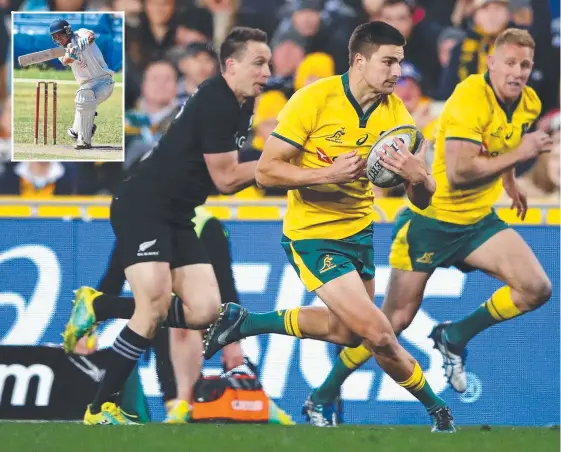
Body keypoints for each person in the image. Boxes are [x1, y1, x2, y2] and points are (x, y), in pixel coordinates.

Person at [203, 21, 456, 433]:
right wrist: (326, 175)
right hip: (312, 235)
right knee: (378, 332)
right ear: (360, 60)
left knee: (346, 333)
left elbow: (423, 198)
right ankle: (440, 411)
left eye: (400, 62)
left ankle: (244, 322)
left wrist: (419, 176)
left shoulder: (396, 115)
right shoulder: (314, 99)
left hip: (359, 233)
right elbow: (266, 172)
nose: (397, 72)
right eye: (388, 62)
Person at [297, 27, 553, 425]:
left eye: (525, 65)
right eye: (509, 62)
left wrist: (511, 183)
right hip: (430, 221)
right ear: (491, 62)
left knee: (536, 288)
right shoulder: (470, 97)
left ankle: (454, 336)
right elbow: (462, 171)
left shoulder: (527, 102)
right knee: (391, 323)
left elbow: (500, 144)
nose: (517, 72)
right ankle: (322, 394)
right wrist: (522, 153)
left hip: (477, 222)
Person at [61, 26, 272, 425]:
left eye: (268, 63)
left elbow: (223, 178)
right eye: (258, 62)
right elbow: (227, 180)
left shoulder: (243, 104)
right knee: (153, 306)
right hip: (144, 204)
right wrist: (280, 166)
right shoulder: (217, 99)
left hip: (178, 213)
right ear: (231, 64)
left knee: (205, 310)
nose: (266, 71)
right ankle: (99, 408)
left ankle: (100, 304)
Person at [63, 206, 294, 424]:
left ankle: (197, 404)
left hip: (193, 316)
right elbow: (114, 278)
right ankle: (182, 406)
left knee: (182, 328)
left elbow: (224, 284)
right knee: (174, 397)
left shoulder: (202, 224)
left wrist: (232, 342)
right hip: (165, 322)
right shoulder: (143, 222)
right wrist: (89, 328)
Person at [49, 19, 114, 149]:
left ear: (68, 31)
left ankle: (84, 140)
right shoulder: (61, 51)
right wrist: (72, 53)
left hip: (103, 81)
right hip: (86, 86)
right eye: (55, 37)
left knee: (84, 96)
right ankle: (79, 129)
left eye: (60, 35)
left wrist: (79, 46)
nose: (58, 40)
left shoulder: (80, 33)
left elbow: (91, 36)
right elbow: (66, 60)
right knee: (82, 98)